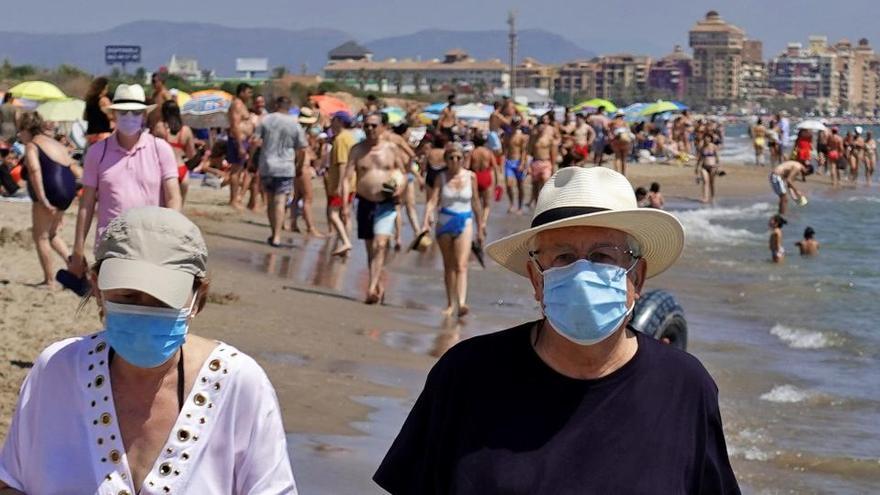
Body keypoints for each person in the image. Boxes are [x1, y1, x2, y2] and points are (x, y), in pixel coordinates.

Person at [375, 166, 739, 494]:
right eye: (563, 257)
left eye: (602, 256)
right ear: (536, 278)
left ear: (637, 277)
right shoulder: (466, 375)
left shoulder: (684, 387)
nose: (582, 274)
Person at [0, 207, 298, 493]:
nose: (143, 310)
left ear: (198, 299)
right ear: (98, 288)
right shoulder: (57, 370)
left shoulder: (238, 384)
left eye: (163, 300)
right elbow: (10, 481)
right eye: (128, 295)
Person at [69, 84, 182, 278]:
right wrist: (78, 249)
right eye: (123, 112)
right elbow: (86, 204)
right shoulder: (97, 152)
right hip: (110, 247)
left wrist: (169, 236)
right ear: (113, 115)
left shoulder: (160, 149)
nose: (129, 117)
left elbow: (173, 197)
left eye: (135, 112)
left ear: (144, 115)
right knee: (110, 297)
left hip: (152, 246)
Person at [340, 113, 406, 304]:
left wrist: (399, 188)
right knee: (370, 248)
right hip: (365, 202)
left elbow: (402, 173)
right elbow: (346, 179)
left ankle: (371, 288)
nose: (370, 129)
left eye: (374, 126)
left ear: (383, 127)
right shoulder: (357, 150)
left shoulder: (391, 149)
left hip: (386, 202)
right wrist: (345, 204)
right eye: (366, 125)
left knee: (380, 244)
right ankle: (378, 284)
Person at [18, 112, 82, 288]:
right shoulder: (54, 143)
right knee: (52, 233)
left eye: (20, 130)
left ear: (27, 130)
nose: (19, 135)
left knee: (41, 236)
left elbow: (34, 171)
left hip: (51, 191)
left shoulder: (32, 145)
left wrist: (43, 200)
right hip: (67, 190)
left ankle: (50, 281)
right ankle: (74, 267)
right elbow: (73, 167)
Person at [422, 143, 483, 317]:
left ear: (463, 159)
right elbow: (433, 201)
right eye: (451, 157)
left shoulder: (471, 177)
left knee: (461, 265)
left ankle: (462, 302)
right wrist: (426, 220)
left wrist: (481, 226)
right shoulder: (441, 177)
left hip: (465, 220)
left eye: (458, 157)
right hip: (444, 222)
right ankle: (450, 303)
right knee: (448, 265)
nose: (455, 161)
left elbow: (476, 202)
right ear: (446, 159)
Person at [257, 96, 307, 247]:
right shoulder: (295, 123)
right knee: (280, 201)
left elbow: (256, 142)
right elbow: (302, 148)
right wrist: (299, 166)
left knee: (270, 201)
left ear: (276, 104)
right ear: (289, 106)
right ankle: (277, 236)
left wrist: (252, 161)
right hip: (286, 167)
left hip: (267, 165)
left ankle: (273, 232)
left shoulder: (266, 120)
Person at [325, 111, 357, 256]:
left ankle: (345, 242)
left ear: (339, 121)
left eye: (333, 120)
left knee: (333, 213)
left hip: (342, 183)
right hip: (351, 182)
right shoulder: (350, 137)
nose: (331, 123)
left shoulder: (341, 139)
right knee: (346, 215)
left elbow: (342, 163)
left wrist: (339, 185)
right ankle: (345, 246)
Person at [152, 101, 196, 204]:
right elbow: (191, 154)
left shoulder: (159, 127)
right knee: (178, 208)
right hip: (181, 169)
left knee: (163, 207)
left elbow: (152, 150)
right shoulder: (186, 130)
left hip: (165, 170)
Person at [289, 107, 323, 237]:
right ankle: (310, 227)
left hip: (298, 166)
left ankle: (293, 223)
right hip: (302, 167)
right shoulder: (303, 134)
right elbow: (303, 152)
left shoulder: (298, 132)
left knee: (297, 197)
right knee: (308, 198)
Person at [226, 83, 255, 209]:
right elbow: (235, 125)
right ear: (242, 92)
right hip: (238, 140)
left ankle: (235, 199)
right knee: (235, 171)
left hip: (244, 140)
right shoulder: (237, 104)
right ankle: (233, 200)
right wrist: (240, 145)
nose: (250, 95)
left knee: (239, 170)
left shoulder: (242, 105)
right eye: (249, 92)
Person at [469, 132, 494, 239]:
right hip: (486, 176)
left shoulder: (472, 152)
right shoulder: (488, 152)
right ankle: (483, 222)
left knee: (476, 204)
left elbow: (467, 167)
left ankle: (478, 225)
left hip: (475, 177)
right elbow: (494, 167)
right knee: (486, 204)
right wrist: (497, 183)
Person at [528, 113, 556, 204]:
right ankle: (537, 205)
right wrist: (527, 165)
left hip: (546, 162)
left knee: (545, 182)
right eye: (540, 125)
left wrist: (553, 166)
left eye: (544, 124)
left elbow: (553, 153)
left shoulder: (550, 137)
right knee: (535, 186)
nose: (542, 127)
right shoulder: (533, 138)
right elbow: (528, 152)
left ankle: (545, 203)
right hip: (535, 162)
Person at [503, 118, 528, 213]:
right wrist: (503, 161)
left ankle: (520, 207)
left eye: (516, 124)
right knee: (509, 185)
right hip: (509, 162)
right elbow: (504, 149)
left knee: (520, 185)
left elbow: (524, 151)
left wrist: (522, 163)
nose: (515, 126)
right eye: (513, 124)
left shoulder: (521, 136)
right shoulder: (507, 136)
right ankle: (512, 204)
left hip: (518, 161)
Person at [84, 77, 114, 146]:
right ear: (102, 89)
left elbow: (85, 117)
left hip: (91, 134)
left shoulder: (89, 101)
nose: (106, 91)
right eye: (106, 89)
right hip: (102, 133)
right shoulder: (103, 100)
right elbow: (111, 116)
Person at [697, 137, 721, 204]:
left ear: (710, 139)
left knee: (711, 183)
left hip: (713, 167)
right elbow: (700, 158)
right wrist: (697, 167)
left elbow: (717, 158)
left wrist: (718, 167)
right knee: (705, 182)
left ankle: (712, 197)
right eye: (705, 138)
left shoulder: (714, 147)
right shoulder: (702, 147)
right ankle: (705, 198)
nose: (706, 140)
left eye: (708, 138)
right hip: (704, 167)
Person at [609, 111, 632, 176]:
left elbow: (608, 130)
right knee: (624, 158)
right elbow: (629, 132)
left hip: (616, 140)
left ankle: (617, 174)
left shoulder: (612, 122)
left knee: (617, 157)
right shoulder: (625, 123)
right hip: (624, 141)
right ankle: (623, 174)